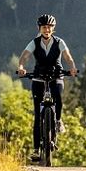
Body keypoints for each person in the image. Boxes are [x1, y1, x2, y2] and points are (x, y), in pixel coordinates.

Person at [17, 13, 78, 162]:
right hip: (39, 76)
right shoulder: (34, 42)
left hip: (56, 75)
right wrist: (21, 67)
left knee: (58, 96)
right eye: (44, 27)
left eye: (49, 27)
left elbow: (67, 57)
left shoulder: (59, 42)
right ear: (40, 28)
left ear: (53, 28)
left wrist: (72, 68)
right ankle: (36, 150)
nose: (47, 30)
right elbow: (24, 56)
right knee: (38, 115)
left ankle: (58, 120)